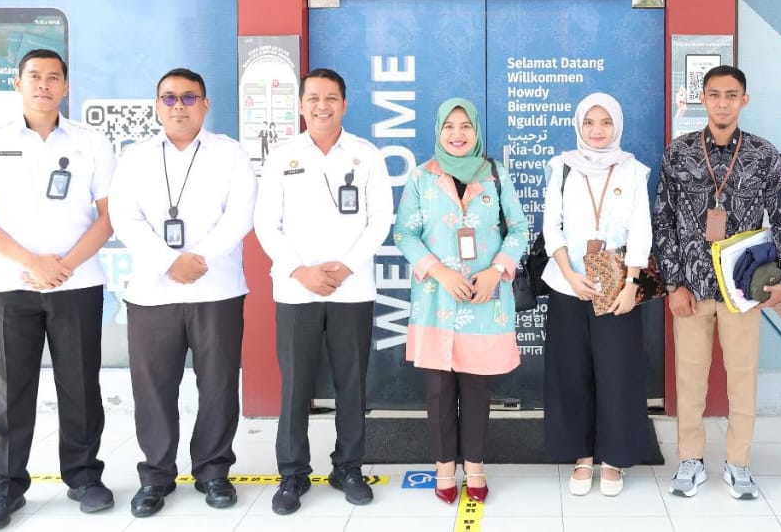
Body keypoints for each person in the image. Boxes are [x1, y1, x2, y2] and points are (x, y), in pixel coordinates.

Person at [0, 49, 116, 530]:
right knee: (11, 389)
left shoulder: (92, 142)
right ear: (17, 84)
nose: (44, 84)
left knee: (81, 385)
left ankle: (84, 477)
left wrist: (63, 266)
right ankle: (4, 489)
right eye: (34, 76)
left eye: (53, 77)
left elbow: (109, 215)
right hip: (9, 285)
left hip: (76, 283)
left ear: (66, 86)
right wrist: (32, 263)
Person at [108, 68, 257, 517]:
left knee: (218, 385)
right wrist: (168, 261)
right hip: (153, 293)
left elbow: (240, 215)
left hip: (217, 290)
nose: (179, 106)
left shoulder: (230, 154)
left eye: (189, 98)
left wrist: (199, 258)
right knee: (153, 388)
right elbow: (124, 216)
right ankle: (156, 475)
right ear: (157, 106)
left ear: (205, 105)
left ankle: (213, 471)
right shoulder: (134, 157)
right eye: (169, 98)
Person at [654, 65, 781, 500]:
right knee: (690, 379)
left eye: (731, 95)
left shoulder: (763, 154)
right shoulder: (679, 152)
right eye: (714, 94)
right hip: (691, 287)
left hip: (743, 289)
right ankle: (691, 460)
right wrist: (673, 284)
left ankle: (738, 463)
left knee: (742, 378)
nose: (722, 103)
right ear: (703, 98)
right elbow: (663, 220)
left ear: (744, 100)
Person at [254, 68, 394, 515]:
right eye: (313, 97)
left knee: (351, 383)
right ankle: (293, 472)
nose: (322, 105)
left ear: (344, 105)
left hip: (352, 289)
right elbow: (265, 223)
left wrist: (347, 266)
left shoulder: (366, 155)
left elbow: (381, 218)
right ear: (300, 105)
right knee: (295, 384)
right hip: (297, 290)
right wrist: (300, 271)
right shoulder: (282, 156)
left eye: (331, 98)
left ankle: (348, 467)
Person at [392, 98, 528, 505]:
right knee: (438, 391)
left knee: (476, 390)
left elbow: (518, 229)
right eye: (449, 126)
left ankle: (475, 465)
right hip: (437, 300)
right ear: (439, 131)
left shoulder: (495, 174)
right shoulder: (422, 177)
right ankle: (443, 466)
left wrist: (497, 270)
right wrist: (440, 272)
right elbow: (404, 233)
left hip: (483, 301)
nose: (457, 134)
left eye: (465, 126)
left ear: (476, 131)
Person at [541, 92, 653, 497]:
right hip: (568, 284)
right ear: (579, 126)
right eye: (589, 122)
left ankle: (613, 458)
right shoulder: (562, 167)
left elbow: (641, 229)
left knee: (617, 374)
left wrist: (632, 284)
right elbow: (550, 226)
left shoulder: (633, 170)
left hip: (617, 286)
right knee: (572, 372)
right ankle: (582, 455)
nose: (597, 130)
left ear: (617, 126)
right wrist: (570, 275)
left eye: (606, 122)